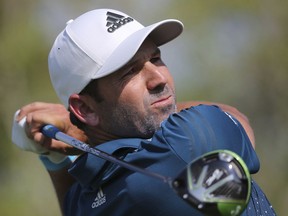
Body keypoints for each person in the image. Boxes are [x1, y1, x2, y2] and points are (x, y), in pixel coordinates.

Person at [12, 8, 276, 216]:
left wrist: (50, 156)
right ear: (84, 109)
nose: (158, 78)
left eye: (156, 58)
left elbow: (72, 203)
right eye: (130, 71)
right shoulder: (188, 145)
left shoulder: (91, 199)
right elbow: (234, 116)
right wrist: (76, 134)